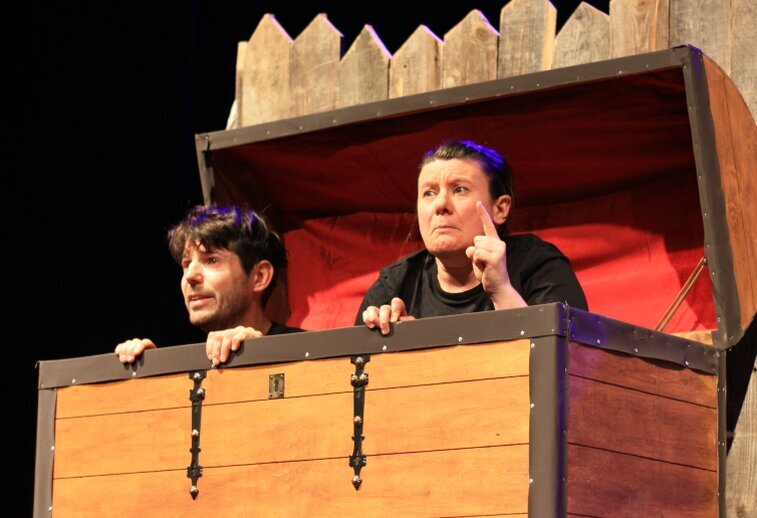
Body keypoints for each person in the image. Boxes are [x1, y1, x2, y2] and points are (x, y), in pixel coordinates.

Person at [357, 140, 587, 334]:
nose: (440, 204)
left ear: (500, 208)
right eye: (429, 193)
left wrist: (501, 291)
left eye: (459, 189)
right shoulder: (393, 287)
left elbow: (569, 361)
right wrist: (388, 344)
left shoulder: (539, 266)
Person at [115, 205, 302, 366]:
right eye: (186, 264)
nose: (190, 276)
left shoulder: (305, 354)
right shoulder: (191, 364)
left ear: (259, 277)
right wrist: (149, 371)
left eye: (212, 260)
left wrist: (262, 352)